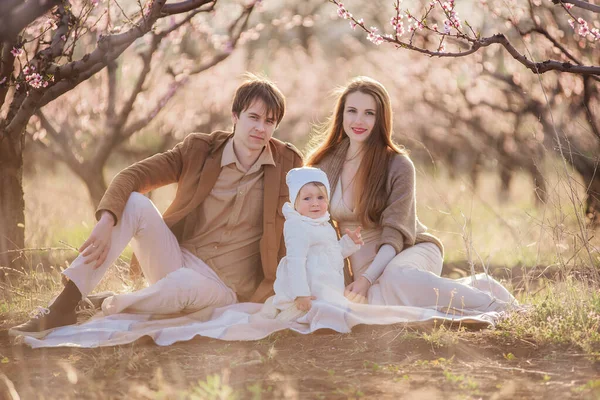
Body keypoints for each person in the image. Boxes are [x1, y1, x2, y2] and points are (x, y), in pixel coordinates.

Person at [10, 74, 303, 339]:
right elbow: (132, 175)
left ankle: (104, 305)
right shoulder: (200, 150)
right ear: (235, 116)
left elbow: (313, 213)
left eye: (270, 122)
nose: (261, 128)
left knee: (184, 286)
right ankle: (65, 304)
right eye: (254, 117)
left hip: (224, 287)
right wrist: (107, 220)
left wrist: (340, 275)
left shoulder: (287, 163)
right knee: (135, 202)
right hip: (178, 258)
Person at [306, 76, 516, 311]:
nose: (359, 120)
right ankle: (477, 285)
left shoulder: (398, 165)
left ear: (381, 119)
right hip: (362, 264)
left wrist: (367, 280)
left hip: (407, 250)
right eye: (352, 111)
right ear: (341, 115)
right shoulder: (324, 164)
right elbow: (312, 225)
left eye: (369, 113)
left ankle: (495, 304)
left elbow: (395, 235)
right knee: (366, 307)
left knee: (397, 279)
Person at [261, 167, 363, 321]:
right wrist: (301, 293)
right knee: (304, 314)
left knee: (334, 311)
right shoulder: (297, 226)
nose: (315, 203)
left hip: (325, 286)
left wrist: (349, 242)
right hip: (308, 289)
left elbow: (331, 252)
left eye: (320, 197)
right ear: (295, 201)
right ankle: (283, 310)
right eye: (307, 198)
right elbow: (295, 262)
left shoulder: (324, 223)